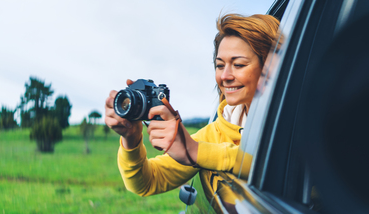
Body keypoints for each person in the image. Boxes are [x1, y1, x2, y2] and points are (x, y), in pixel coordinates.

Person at [104, 13, 280, 211]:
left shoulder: (300, 122)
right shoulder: (215, 134)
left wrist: (196, 151)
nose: (224, 76)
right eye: (220, 65)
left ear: (271, 68)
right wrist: (131, 137)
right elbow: (146, 182)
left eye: (238, 64)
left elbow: (286, 168)